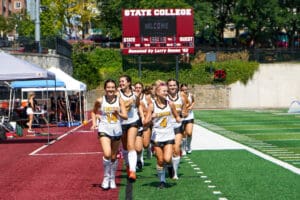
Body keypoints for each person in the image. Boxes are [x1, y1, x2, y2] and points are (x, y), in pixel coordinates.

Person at [91, 79, 128, 190]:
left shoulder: (120, 100)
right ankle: (106, 177)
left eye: (112, 87)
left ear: (115, 88)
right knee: (107, 154)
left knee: (113, 156)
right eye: (108, 87)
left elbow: (125, 116)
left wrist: (119, 113)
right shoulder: (100, 100)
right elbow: (94, 111)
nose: (110, 89)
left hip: (116, 129)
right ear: (105, 88)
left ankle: (112, 178)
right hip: (104, 129)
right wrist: (94, 123)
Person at [147, 80, 181, 188]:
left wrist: (179, 118)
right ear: (157, 92)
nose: (166, 93)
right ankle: (162, 181)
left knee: (167, 159)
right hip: (157, 136)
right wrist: (151, 117)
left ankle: (170, 165)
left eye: (166, 91)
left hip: (169, 134)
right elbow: (145, 121)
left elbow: (176, 116)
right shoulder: (152, 106)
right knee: (160, 160)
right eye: (163, 91)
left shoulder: (170, 104)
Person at [119, 75, 140, 181]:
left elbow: (137, 105)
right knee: (125, 147)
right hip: (121, 122)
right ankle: (128, 166)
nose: (121, 83)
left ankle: (133, 171)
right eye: (120, 81)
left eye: (123, 81)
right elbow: (122, 109)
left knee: (131, 144)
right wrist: (127, 104)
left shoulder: (136, 94)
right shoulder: (117, 94)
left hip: (133, 121)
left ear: (129, 83)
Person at [166, 78, 188, 180]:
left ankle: (175, 173)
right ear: (167, 87)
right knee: (167, 154)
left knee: (176, 149)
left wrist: (183, 114)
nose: (172, 87)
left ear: (177, 86)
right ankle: (169, 165)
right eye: (170, 85)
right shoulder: (164, 97)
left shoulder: (182, 97)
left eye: (174, 85)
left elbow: (185, 111)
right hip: (166, 128)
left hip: (177, 126)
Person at [180, 83, 195, 154]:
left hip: (190, 115)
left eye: (186, 89)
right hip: (182, 116)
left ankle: (188, 145)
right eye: (183, 90)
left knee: (189, 133)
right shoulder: (179, 96)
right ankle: (183, 148)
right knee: (183, 133)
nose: (184, 91)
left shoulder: (190, 95)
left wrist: (191, 106)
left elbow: (193, 102)